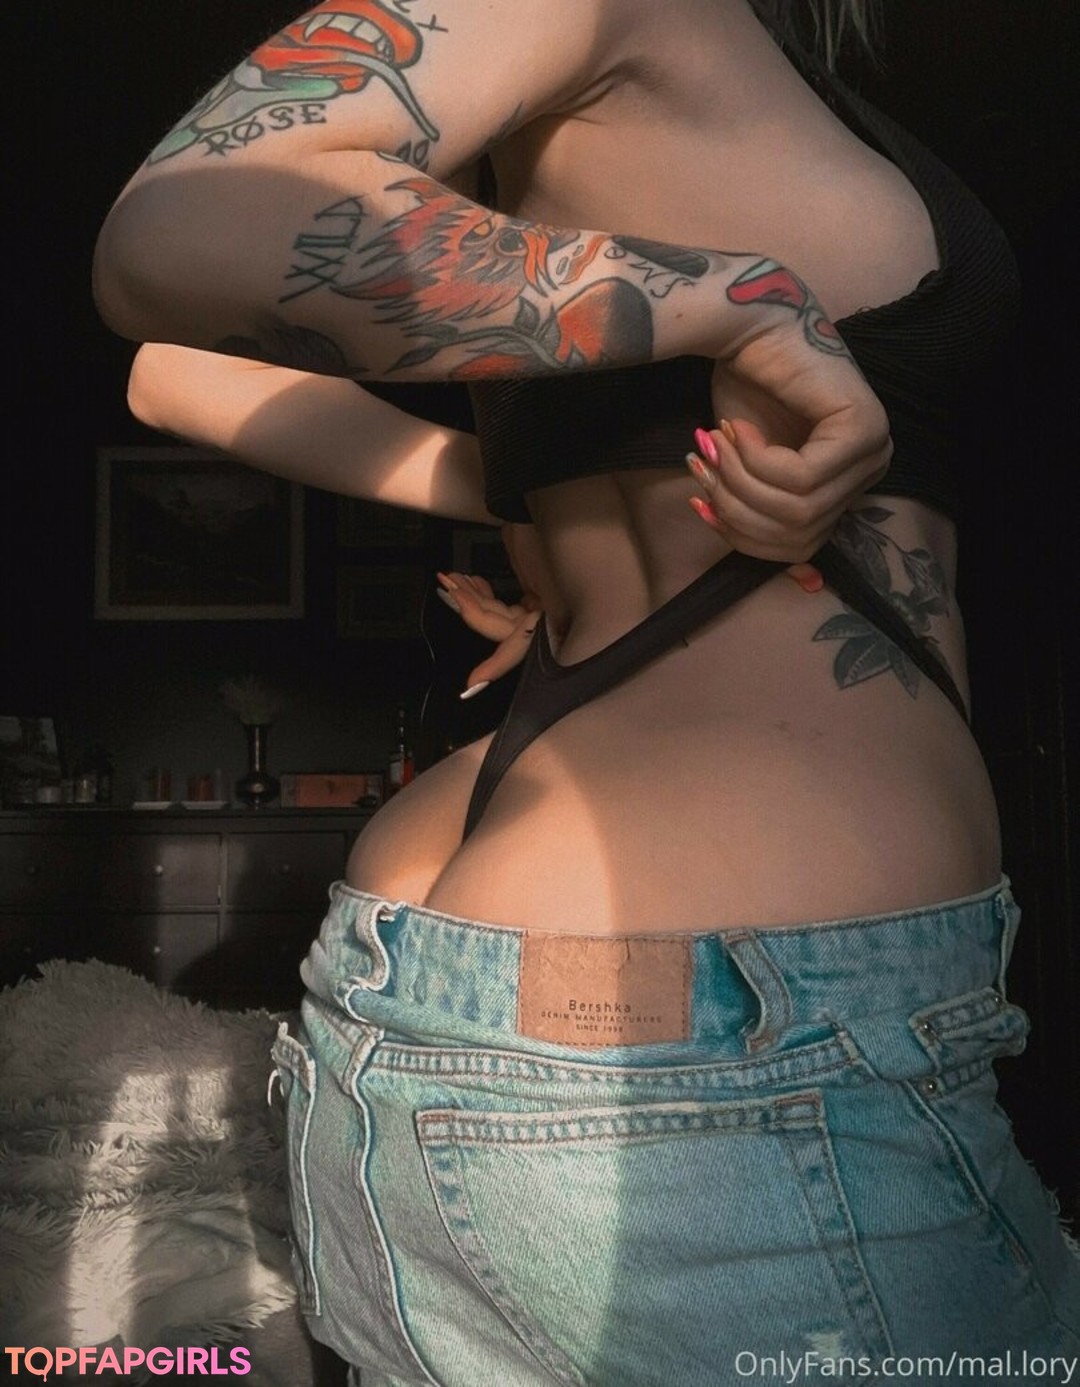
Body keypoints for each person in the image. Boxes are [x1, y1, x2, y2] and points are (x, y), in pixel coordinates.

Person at [96, 1, 1080, 1382]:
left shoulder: (654, 91)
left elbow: (170, 382)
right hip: (724, 1042)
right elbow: (177, 232)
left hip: (563, 1004)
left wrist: (522, 493)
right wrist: (738, 299)